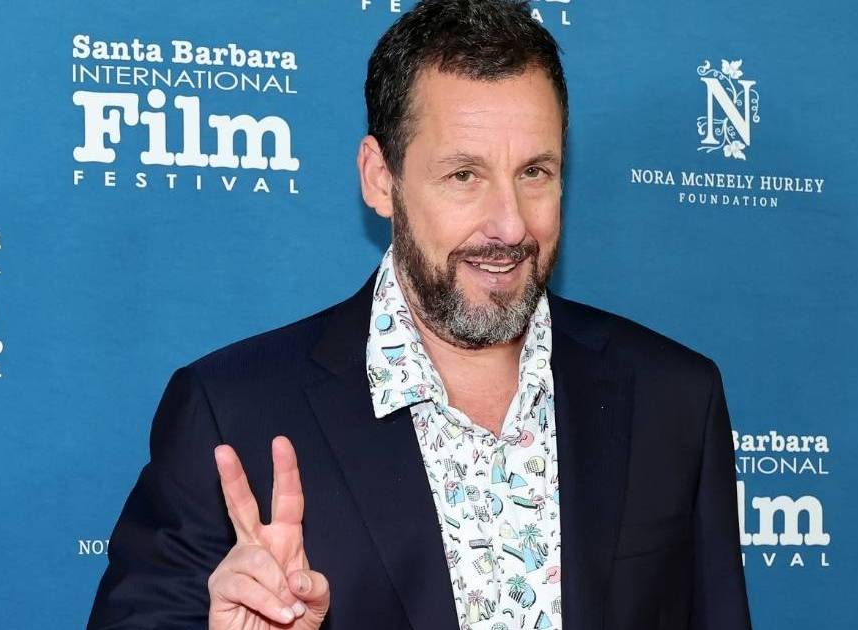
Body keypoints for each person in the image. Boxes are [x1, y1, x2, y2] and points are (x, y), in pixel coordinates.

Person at [88, 1, 752, 628]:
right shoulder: (232, 415)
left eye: (535, 172)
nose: (509, 225)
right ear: (381, 179)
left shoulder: (673, 399)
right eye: (464, 175)